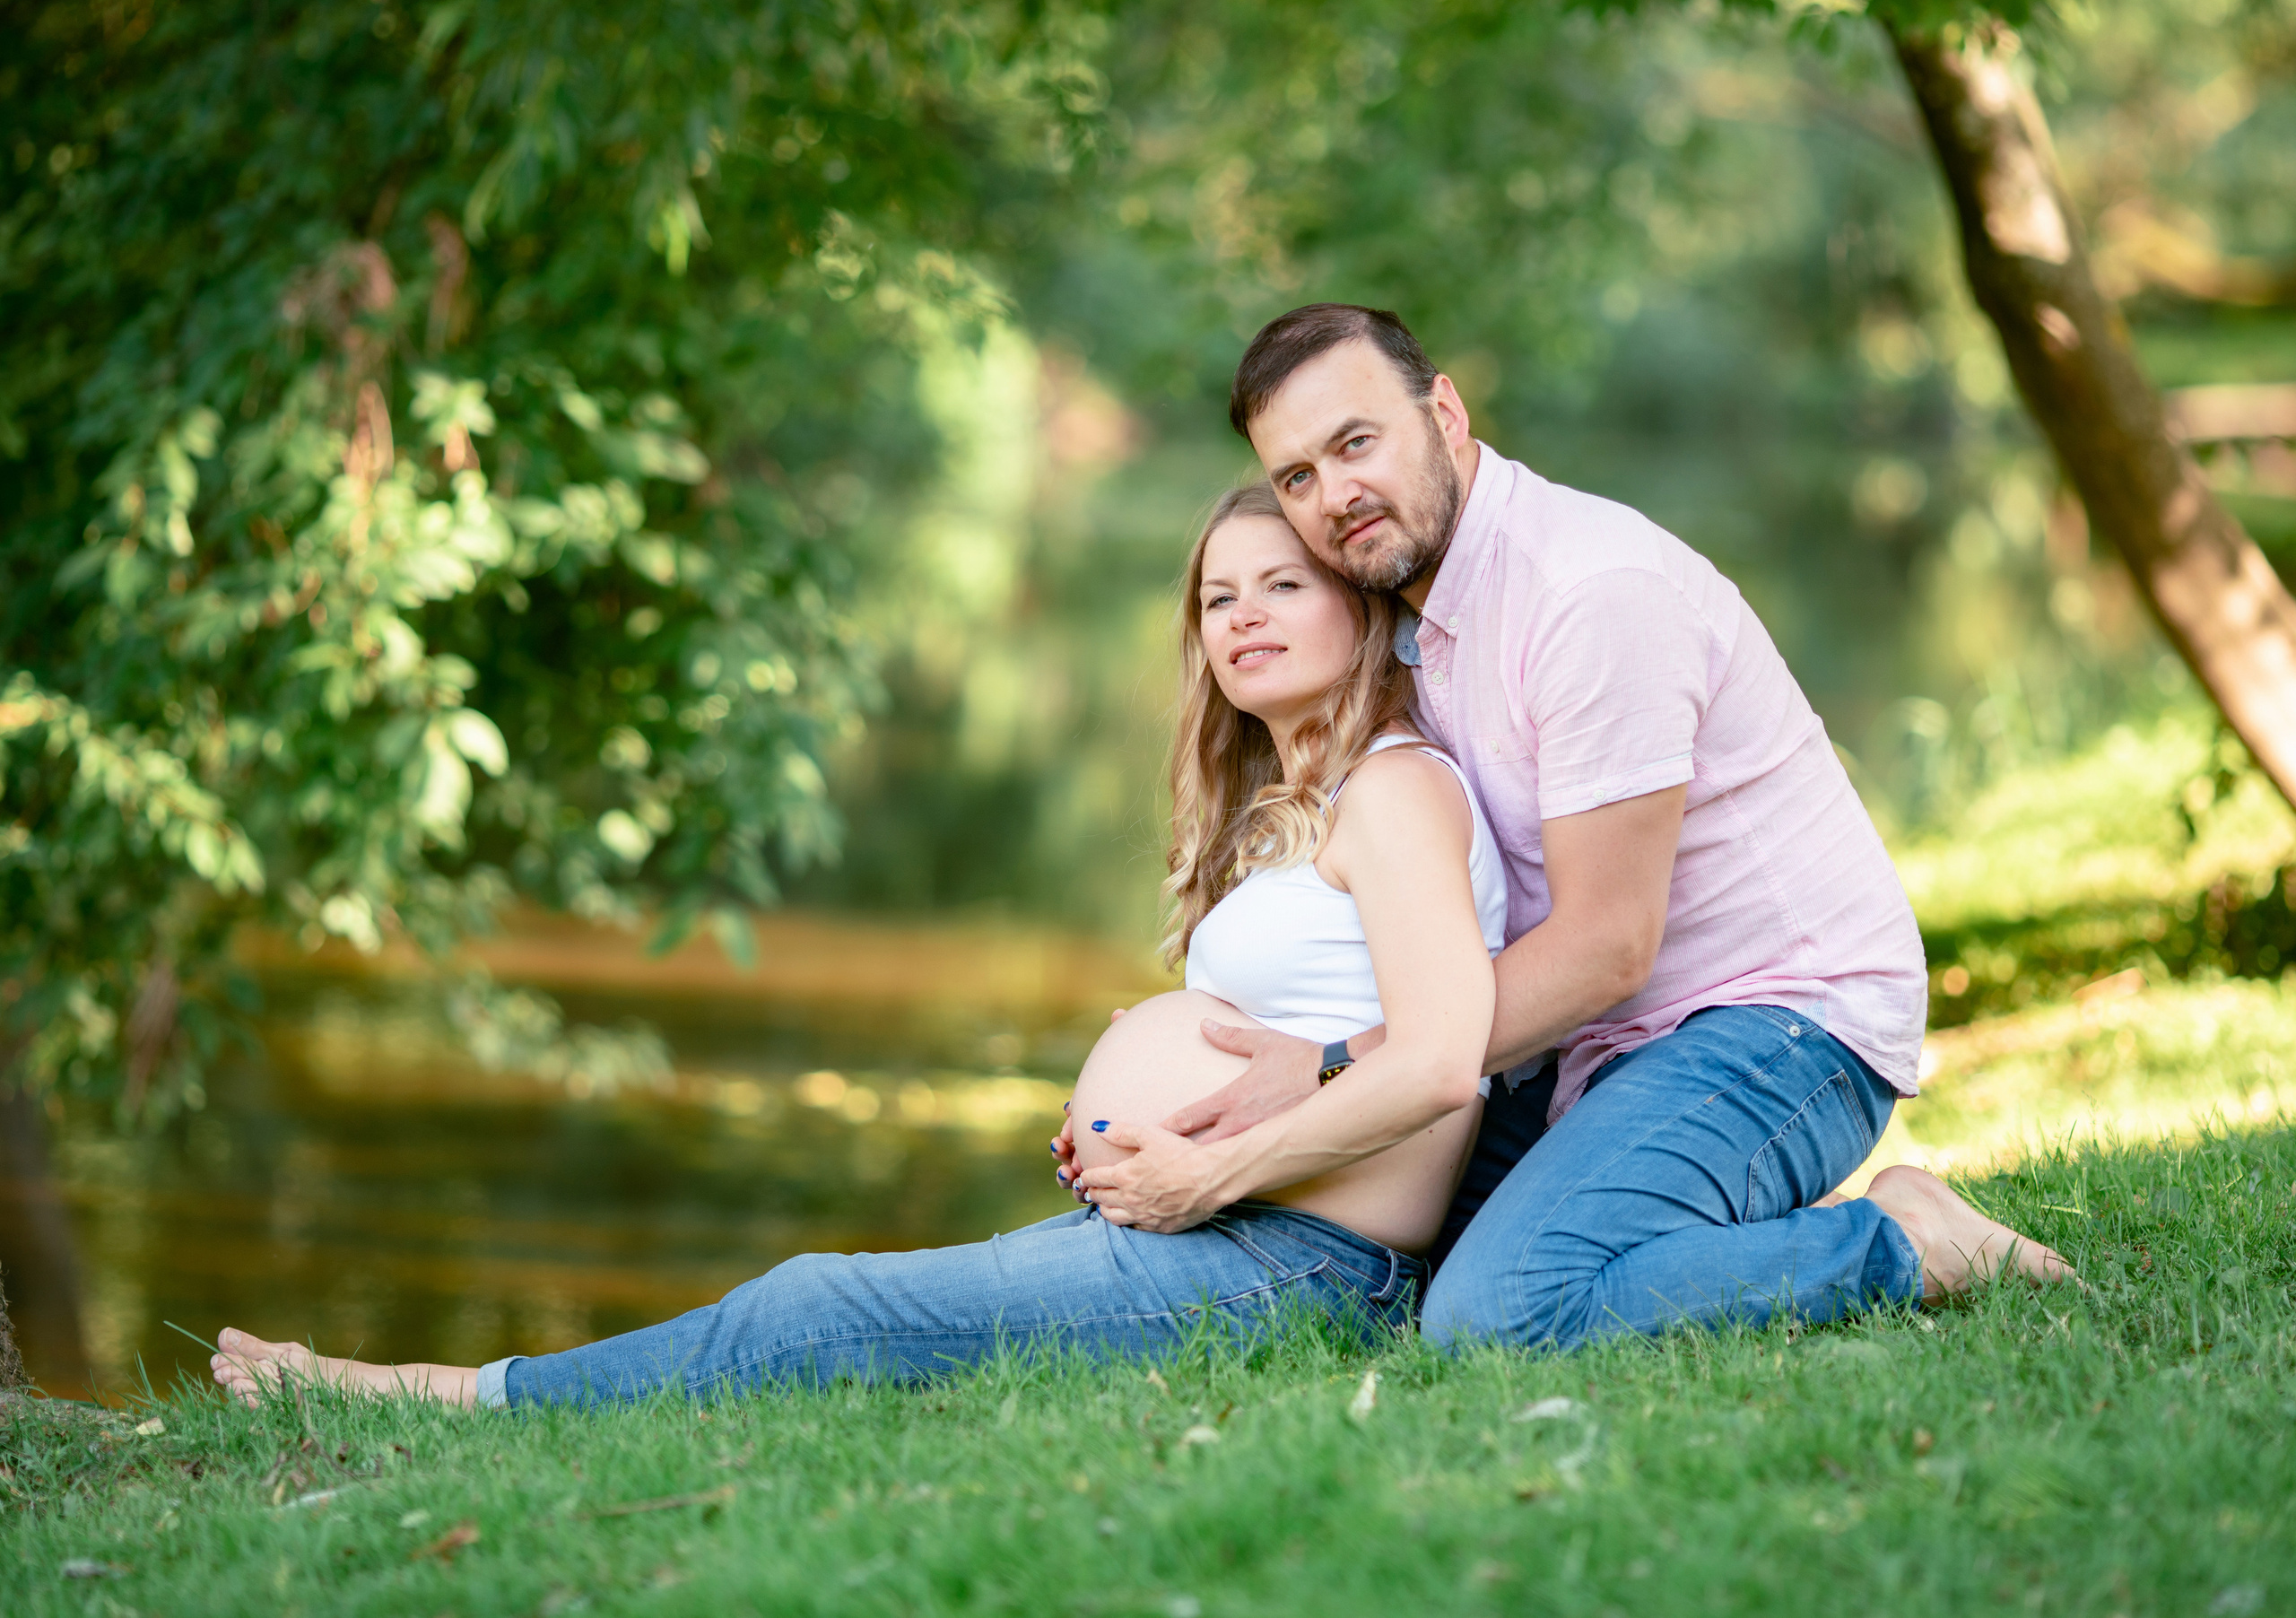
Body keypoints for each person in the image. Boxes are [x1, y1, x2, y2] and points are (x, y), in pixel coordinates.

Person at [211, 483, 1514, 1409]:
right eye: (1218, 595)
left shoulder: (1397, 792)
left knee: (818, 1308)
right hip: (1237, 1233)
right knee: (838, 1306)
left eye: (1283, 584)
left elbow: (1440, 1063)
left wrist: (1202, 1177)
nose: (1242, 615)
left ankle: (435, 1392)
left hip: (1298, 1268)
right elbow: (1326, 1036)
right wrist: (1141, 1126)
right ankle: (453, 1384)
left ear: (1362, 608)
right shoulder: (1307, 805)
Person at [1064, 303, 2068, 1345]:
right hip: (1581, 1047)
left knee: (1497, 1309)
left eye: (1355, 443)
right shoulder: (1408, 603)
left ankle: (1903, 1243)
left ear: (1444, 413)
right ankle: (1689, 1214)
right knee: (1389, 1264)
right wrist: (1157, 1090)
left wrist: (1330, 1061)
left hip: (1777, 1024)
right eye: (1297, 477)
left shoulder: (1588, 594)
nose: (1334, 498)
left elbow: (1606, 948)